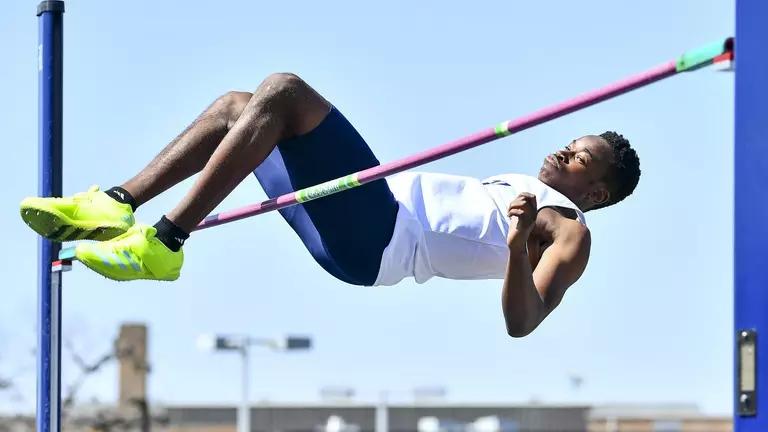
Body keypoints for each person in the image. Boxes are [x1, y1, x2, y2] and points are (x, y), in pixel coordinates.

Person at [20, 73, 640, 337]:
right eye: (567, 142)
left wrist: (514, 247)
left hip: (382, 238)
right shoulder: (522, 189)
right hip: (365, 216)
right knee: (245, 105)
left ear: (598, 192)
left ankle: (165, 241)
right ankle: (116, 203)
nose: (562, 152)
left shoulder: (569, 231)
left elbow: (523, 321)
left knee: (287, 91)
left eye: (579, 157)